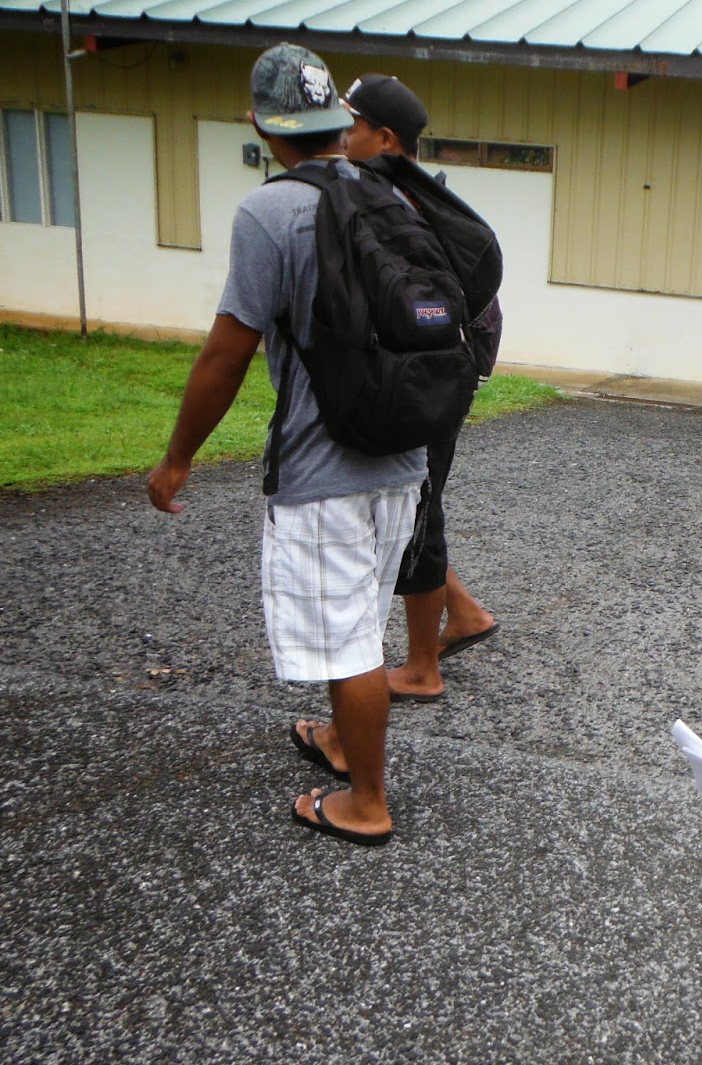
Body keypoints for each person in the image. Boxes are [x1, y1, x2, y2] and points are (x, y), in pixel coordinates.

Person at [148, 44, 426, 847]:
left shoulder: (269, 212)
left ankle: (366, 802)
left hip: (321, 463)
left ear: (262, 125)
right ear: (342, 121)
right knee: (362, 623)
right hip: (399, 456)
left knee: (345, 643)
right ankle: (343, 742)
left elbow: (226, 352)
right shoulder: (391, 196)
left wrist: (177, 459)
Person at [341, 72, 502, 703]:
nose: (341, 136)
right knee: (416, 502)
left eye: (350, 126)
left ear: (383, 137)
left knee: (417, 508)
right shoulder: (413, 194)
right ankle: (462, 616)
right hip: (445, 368)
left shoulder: (388, 199)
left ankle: (422, 668)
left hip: (429, 376)